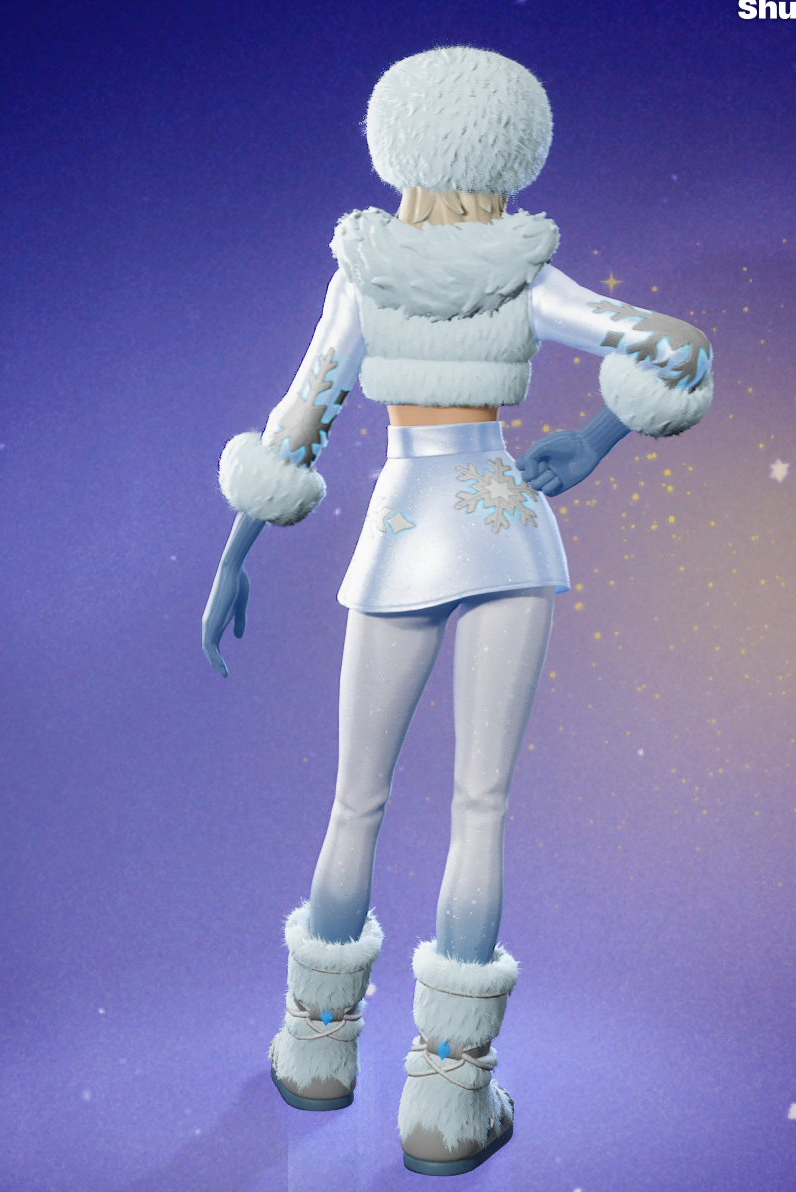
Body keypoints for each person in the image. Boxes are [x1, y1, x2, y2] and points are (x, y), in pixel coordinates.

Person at [201, 47, 713, 1177]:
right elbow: (678, 351)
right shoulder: (528, 276)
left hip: (402, 534)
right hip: (506, 528)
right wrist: (595, 438)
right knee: (481, 808)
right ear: (509, 148)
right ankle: (446, 1101)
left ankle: (316, 1052)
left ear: (397, 143)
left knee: (356, 801)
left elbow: (300, 419)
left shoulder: (362, 277)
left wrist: (235, 552)